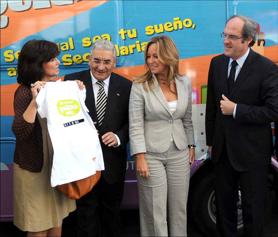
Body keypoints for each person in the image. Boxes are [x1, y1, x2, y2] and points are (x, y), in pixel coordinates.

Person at [205, 15, 278, 237]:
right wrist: (211, 143)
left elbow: (273, 111)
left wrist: (237, 109)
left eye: (232, 37)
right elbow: (212, 109)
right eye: (224, 35)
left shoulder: (266, 68)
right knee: (224, 213)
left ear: (248, 41)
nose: (226, 41)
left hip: (253, 155)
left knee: (252, 213)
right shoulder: (216, 63)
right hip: (223, 154)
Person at [129, 35, 195, 237]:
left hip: (179, 152)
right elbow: (135, 123)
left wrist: (191, 145)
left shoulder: (183, 82)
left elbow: (187, 119)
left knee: (179, 209)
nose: (151, 61)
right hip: (151, 155)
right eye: (148, 56)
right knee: (155, 212)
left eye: (156, 56)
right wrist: (140, 156)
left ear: (168, 56)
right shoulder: (140, 85)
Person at [64, 39, 132, 237]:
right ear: (89, 60)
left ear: (114, 63)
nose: (101, 67)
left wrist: (119, 137)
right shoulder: (71, 82)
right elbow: (62, 119)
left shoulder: (126, 86)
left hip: (113, 163)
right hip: (83, 164)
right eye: (96, 60)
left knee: (112, 216)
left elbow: (134, 122)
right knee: (85, 216)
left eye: (107, 62)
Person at [12, 39, 76, 237]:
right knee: (38, 227)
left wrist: (76, 92)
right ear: (38, 63)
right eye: (52, 59)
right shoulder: (23, 92)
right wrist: (34, 100)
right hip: (34, 168)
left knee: (56, 223)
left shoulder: (59, 88)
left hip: (56, 167)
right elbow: (20, 132)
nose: (58, 62)